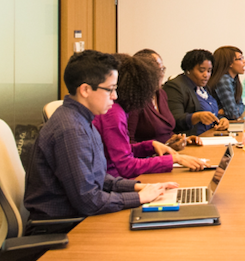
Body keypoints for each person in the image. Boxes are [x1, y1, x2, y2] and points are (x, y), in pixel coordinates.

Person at [24, 50, 177, 220]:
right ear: (85, 90)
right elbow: (89, 200)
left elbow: (99, 178)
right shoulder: (71, 130)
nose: (115, 96)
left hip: (80, 216)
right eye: (110, 89)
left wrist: (139, 187)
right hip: (65, 226)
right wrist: (139, 198)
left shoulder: (82, 120)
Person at [93, 54, 206, 179]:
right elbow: (126, 165)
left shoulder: (118, 109)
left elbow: (120, 149)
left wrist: (150, 146)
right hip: (116, 181)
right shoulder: (114, 113)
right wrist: (174, 159)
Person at [127, 49, 201, 150]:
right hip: (148, 160)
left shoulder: (161, 94)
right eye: (157, 70)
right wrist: (162, 148)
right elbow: (128, 144)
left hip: (167, 155)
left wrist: (180, 139)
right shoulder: (134, 100)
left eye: (162, 69)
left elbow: (166, 131)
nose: (162, 74)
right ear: (142, 72)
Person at [164, 49, 230, 135]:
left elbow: (211, 112)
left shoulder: (204, 87)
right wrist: (196, 117)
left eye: (209, 71)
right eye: (202, 70)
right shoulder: (175, 87)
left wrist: (221, 119)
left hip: (210, 136)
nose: (206, 75)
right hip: (189, 140)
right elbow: (174, 120)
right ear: (188, 70)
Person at [208, 46, 245, 120]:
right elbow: (233, 114)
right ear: (230, 63)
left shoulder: (233, 79)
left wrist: (226, 111)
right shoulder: (223, 80)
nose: (244, 61)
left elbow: (241, 105)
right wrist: (233, 110)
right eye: (240, 59)